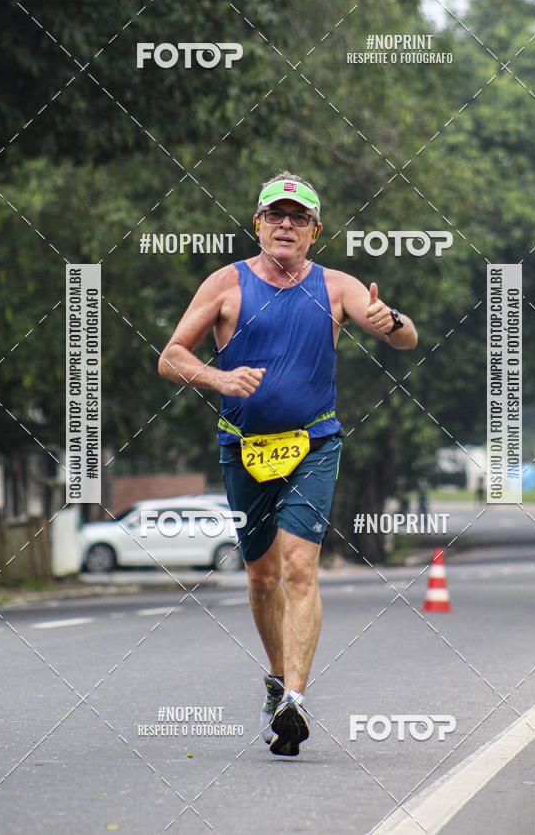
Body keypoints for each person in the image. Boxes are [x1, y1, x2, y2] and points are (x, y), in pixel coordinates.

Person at [158, 171, 417, 756]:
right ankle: (277, 683)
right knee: (262, 575)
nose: (285, 225)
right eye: (275, 215)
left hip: (314, 443)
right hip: (242, 448)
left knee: (299, 565)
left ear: (315, 231)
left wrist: (390, 323)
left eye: (298, 218)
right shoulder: (225, 284)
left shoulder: (336, 286)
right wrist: (220, 376)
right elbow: (171, 357)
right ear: (257, 224)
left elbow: (408, 337)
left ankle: (296, 698)